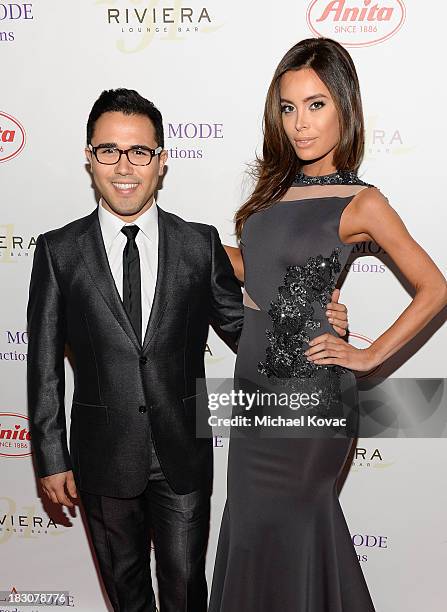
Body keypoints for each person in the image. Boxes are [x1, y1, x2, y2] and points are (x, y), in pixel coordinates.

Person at [26, 88, 348, 612]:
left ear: (161, 160)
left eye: (140, 152)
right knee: (125, 594)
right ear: (90, 157)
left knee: (186, 593)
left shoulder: (199, 245)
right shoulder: (59, 251)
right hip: (102, 456)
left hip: (182, 452)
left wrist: (316, 325)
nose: (124, 166)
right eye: (109, 150)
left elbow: (245, 333)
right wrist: (50, 456)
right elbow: (42, 364)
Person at [210, 37, 447, 612]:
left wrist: (369, 356)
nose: (300, 123)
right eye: (288, 107)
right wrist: (192, 244)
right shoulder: (270, 189)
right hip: (256, 391)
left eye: (316, 105)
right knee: (250, 529)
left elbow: (434, 287)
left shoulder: (362, 201)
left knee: (292, 523)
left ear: (344, 106)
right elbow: (256, 269)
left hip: (311, 396)